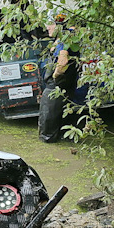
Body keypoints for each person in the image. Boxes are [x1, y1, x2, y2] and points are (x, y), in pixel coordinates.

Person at [38, 12, 80, 143]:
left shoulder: (64, 41)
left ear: (59, 26)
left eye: (50, 24)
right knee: (62, 118)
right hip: (65, 86)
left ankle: (50, 143)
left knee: (47, 128)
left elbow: (62, 62)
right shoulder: (67, 38)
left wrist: (56, 75)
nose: (47, 28)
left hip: (55, 86)